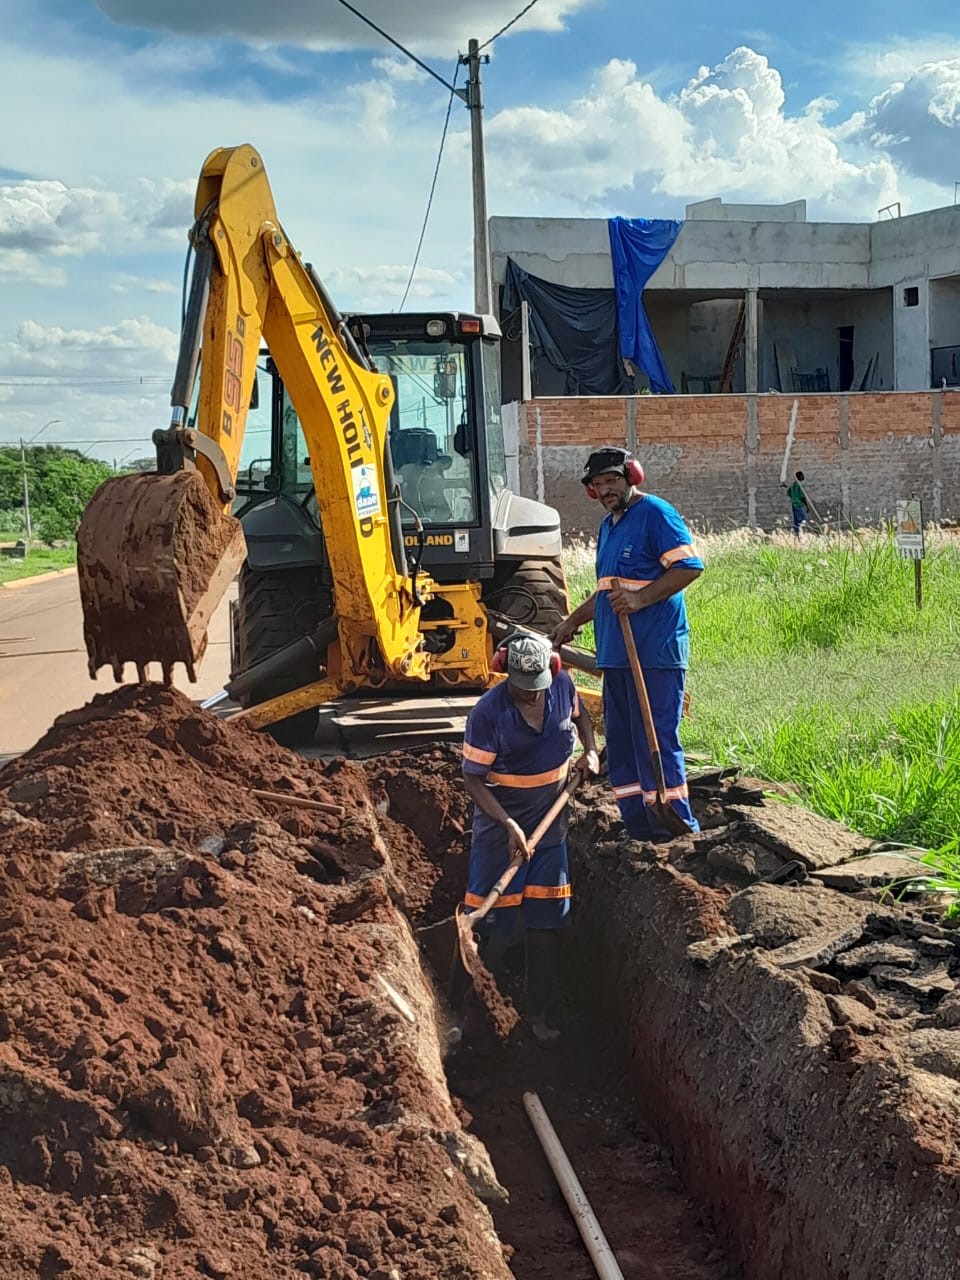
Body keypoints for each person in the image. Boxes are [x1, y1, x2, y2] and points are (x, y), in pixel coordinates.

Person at [551, 446, 703, 843]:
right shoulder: (609, 527)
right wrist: (572, 621)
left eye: (611, 480)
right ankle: (638, 824)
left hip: (653, 652)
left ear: (630, 477)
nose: (604, 490)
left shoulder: (655, 514)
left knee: (656, 737)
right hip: (618, 656)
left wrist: (640, 599)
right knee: (620, 742)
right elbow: (607, 591)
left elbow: (689, 567)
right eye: (597, 484)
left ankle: (675, 824)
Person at [460, 632, 599, 1045]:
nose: (530, 695)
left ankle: (540, 1014)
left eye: (536, 686)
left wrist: (590, 750)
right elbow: (472, 777)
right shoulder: (487, 713)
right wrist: (507, 824)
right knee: (494, 923)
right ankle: (480, 1016)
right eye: (521, 687)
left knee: (545, 923)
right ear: (506, 672)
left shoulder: (562, 686)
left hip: (550, 822)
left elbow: (582, 719)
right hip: (500, 826)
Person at [785, 471, 809, 536]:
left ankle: (796, 533)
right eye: (802, 475)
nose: (803, 476)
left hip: (794, 504)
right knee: (803, 519)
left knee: (796, 520)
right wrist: (807, 506)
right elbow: (802, 497)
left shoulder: (793, 484)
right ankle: (801, 533)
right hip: (799, 504)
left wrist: (794, 497)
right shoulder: (799, 485)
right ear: (800, 477)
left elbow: (788, 492)